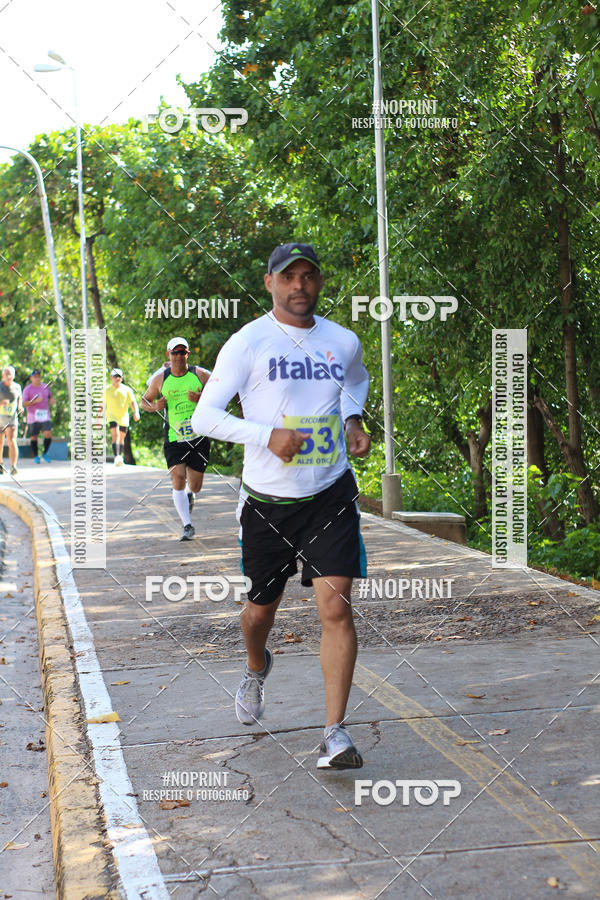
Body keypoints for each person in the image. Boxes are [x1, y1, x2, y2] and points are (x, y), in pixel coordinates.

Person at [192, 242, 371, 769]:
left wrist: (352, 419)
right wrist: (266, 435)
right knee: (259, 613)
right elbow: (206, 417)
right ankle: (256, 665)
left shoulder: (343, 340)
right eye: (288, 276)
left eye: (309, 276)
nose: (300, 286)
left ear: (319, 281)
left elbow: (355, 382)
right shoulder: (248, 343)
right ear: (269, 281)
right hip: (268, 503)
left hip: (330, 495)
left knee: (336, 608)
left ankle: (334, 732)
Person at [142, 337, 211, 541]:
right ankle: (187, 525)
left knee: (195, 484)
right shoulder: (160, 379)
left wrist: (201, 399)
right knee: (177, 477)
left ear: (188, 354)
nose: (179, 356)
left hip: (198, 436)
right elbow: (144, 401)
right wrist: (155, 406)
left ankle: (191, 493)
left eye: (182, 352)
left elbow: (220, 392)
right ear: (169, 355)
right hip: (173, 437)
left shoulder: (200, 374)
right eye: (175, 353)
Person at [104, 368, 139, 466]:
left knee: (121, 438)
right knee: (115, 434)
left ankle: (120, 457)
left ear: (122, 378)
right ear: (111, 378)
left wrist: (136, 413)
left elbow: (133, 402)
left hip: (124, 417)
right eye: (115, 376)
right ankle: (117, 456)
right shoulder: (107, 390)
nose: (117, 378)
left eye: (119, 376)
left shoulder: (127, 389)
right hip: (111, 416)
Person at [22, 369, 55, 463]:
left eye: (38, 376)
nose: (37, 378)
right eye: (35, 377)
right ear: (31, 378)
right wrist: (34, 401)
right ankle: (36, 456)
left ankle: (45, 453)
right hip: (33, 416)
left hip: (45, 415)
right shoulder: (27, 389)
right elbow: (23, 404)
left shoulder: (45, 386)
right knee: (34, 437)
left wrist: (52, 400)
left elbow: (50, 396)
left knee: (48, 433)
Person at [0, 366, 23, 476]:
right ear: (2, 376)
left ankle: (13, 466)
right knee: (0, 442)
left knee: (11, 441)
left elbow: (19, 398)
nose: (8, 377)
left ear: (13, 376)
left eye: (10, 374)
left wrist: (20, 406)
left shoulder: (17, 387)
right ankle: (0, 464)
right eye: (6, 374)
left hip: (11, 418)